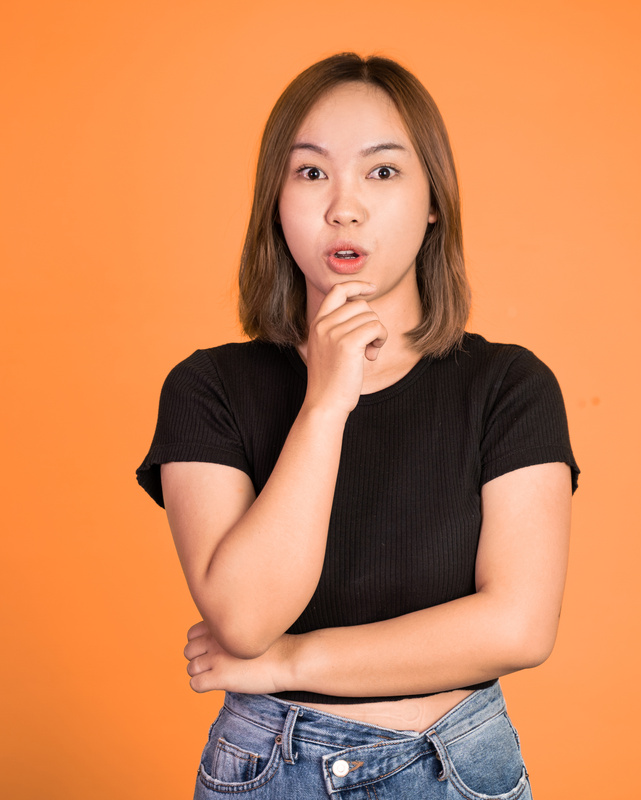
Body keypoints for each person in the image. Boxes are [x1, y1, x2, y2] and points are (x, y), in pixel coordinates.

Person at [136, 52, 578, 799]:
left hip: (451, 773)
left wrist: (289, 664)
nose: (344, 206)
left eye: (381, 172)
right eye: (311, 173)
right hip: (267, 775)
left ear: (434, 200)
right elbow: (244, 618)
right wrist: (328, 399)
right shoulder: (207, 388)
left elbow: (517, 627)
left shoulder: (510, 386)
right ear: (275, 201)